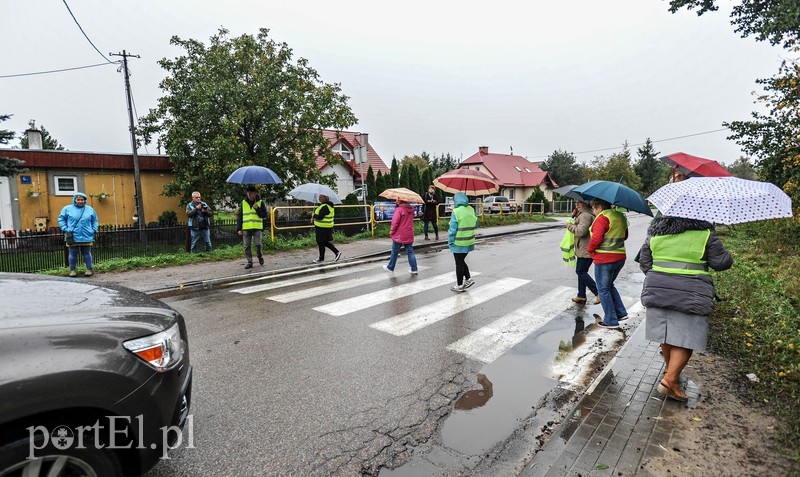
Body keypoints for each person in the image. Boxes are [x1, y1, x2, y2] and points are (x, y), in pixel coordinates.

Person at [639, 216, 733, 401]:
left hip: (658, 289)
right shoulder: (705, 234)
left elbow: (644, 263)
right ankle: (669, 380)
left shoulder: (655, 234)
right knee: (686, 339)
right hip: (692, 293)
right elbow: (722, 263)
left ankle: (670, 372)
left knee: (665, 335)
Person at [587, 198, 628, 328]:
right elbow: (625, 235)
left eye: (594, 208)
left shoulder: (602, 218)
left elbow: (596, 238)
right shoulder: (620, 216)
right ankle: (621, 313)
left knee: (603, 290)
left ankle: (610, 320)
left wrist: (590, 249)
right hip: (619, 257)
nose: (593, 211)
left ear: (600, 207)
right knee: (609, 286)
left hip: (604, 259)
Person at [566, 200, 600, 304]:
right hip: (584, 248)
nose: (577, 204)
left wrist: (568, 225)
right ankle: (581, 295)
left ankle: (598, 293)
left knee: (580, 271)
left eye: (579, 202)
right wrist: (575, 216)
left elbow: (581, 232)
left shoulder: (585, 215)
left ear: (585, 203)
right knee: (582, 271)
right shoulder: (585, 214)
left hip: (585, 249)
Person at [58, 192, 99, 277]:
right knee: (72, 253)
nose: (80, 201)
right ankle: (72, 270)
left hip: (87, 235)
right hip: (73, 235)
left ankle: (89, 269)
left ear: (85, 200)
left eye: (82, 200)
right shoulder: (67, 209)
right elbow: (61, 219)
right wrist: (65, 228)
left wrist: (94, 229)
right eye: (78, 199)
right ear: (74, 200)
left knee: (87, 253)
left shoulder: (90, 209)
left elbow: (94, 220)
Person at [448, 192, 477, 292]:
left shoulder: (455, 212)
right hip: (469, 241)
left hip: (458, 242)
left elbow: (452, 230)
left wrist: (450, 242)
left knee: (458, 263)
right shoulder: (471, 209)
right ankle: (468, 278)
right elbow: (476, 224)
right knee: (461, 261)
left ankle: (460, 285)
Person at [383, 199, 418, 274]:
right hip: (409, 233)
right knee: (410, 252)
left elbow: (395, 222)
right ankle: (414, 268)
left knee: (394, 251)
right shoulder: (411, 209)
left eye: (397, 200)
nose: (396, 201)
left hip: (399, 234)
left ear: (401, 201)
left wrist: (391, 232)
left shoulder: (399, 210)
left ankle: (390, 267)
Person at [237, 185, 268, 269]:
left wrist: (257, 208)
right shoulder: (243, 203)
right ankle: (249, 262)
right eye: (248, 193)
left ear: (255, 194)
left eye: (252, 193)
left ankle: (260, 256)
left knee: (258, 244)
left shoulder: (260, 202)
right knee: (246, 246)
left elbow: (264, 215)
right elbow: (240, 216)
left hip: (257, 227)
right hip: (246, 228)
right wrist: (239, 228)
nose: (250, 195)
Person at [311, 194, 342, 264]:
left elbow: (320, 217)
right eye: (319, 197)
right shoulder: (327, 206)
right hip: (325, 227)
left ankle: (322, 258)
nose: (319, 198)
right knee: (323, 242)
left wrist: (314, 215)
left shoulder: (325, 206)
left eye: (321, 197)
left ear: (326, 198)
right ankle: (336, 253)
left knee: (321, 242)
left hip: (322, 227)